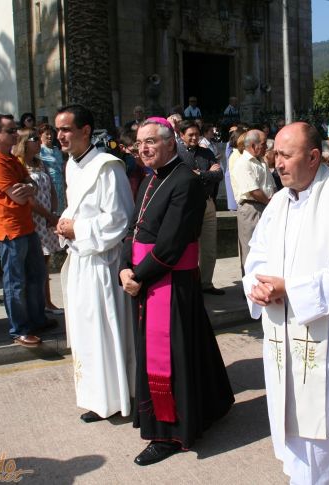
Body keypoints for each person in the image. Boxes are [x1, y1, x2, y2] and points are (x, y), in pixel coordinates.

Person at [243, 122, 329, 484]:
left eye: (287, 156)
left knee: (319, 410)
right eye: (276, 156)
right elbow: (256, 255)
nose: (278, 165)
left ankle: (317, 477)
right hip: (280, 325)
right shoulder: (277, 203)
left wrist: (290, 289)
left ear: (315, 157)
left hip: (326, 327)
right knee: (288, 405)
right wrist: (254, 287)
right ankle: (299, 470)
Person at [119, 117, 233, 466]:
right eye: (140, 143)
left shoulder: (185, 182)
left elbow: (170, 245)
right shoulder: (151, 179)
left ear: (171, 143)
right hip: (146, 278)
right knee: (190, 349)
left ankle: (167, 433)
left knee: (171, 357)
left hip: (168, 283)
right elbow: (133, 229)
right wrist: (124, 266)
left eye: (151, 141)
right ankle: (211, 404)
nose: (144, 149)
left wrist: (138, 275)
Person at [54, 104, 136, 423]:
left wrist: (78, 229)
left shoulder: (108, 167)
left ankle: (116, 397)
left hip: (103, 262)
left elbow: (119, 219)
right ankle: (96, 397)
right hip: (80, 259)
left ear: (85, 131)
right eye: (58, 129)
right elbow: (76, 208)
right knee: (85, 331)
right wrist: (65, 223)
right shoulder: (72, 166)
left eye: (66, 129)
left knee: (104, 331)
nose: (60, 135)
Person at [0, 114, 48, 347]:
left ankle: (36, 319)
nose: (15, 134)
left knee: (36, 276)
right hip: (9, 230)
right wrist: (26, 188)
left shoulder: (12, 160)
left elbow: (33, 186)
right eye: (10, 131)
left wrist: (27, 186)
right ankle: (19, 329)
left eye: (15, 130)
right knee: (15, 282)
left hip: (25, 227)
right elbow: (18, 197)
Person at [13, 129, 63, 314]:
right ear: (24, 142)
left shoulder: (39, 163)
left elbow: (50, 187)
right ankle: (38, 304)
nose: (38, 142)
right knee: (35, 264)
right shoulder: (19, 164)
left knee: (45, 263)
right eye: (34, 138)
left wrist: (53, 211)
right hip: (34, 218)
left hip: (47, 217)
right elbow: (28, 198)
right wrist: (47, 215)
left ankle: (47, 301)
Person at [178, 120, 224, 294]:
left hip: (208, 203)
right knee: (189, 247)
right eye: (190, 134)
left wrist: (201, 174)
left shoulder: (206, 152)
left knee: (209, 247)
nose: (194, 137)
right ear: (182, 135)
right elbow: (184, 177)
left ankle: (206, 283)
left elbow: (218, 174)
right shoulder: (176, 153)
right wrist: (207, 174)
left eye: (197, 134)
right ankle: (190, 285)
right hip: (188, 205)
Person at [230, 129, 275, 275]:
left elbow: (270, 185)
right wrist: (270, 202)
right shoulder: (243, 163)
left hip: (265, 205)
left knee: (266, 247)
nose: (266, 147)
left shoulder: (261, 161)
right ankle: (250, 285)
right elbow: (254, 191)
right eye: (263, 144)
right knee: (249, 248)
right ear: (253, 145)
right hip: (251, 209)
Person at [37, 123, 66, 212]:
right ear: (40, 135)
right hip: (49, 184)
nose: (50, 136)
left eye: (51, 134)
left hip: (60, 183)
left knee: (60, 209)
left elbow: (61, 166)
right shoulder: (39, 150)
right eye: (47, 134)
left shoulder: (56, 149)